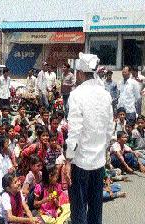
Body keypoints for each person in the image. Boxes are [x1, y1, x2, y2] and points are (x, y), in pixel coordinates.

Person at [64, 53, 113, 224]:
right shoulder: (105, 94)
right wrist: (104, 151)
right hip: (98, 160)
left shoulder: (77, 94)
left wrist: (68, 160)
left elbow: (74, 130)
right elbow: (109, 129)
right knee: (95, 209)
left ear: (80, 73)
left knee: (78, 210)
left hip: (80, 161)